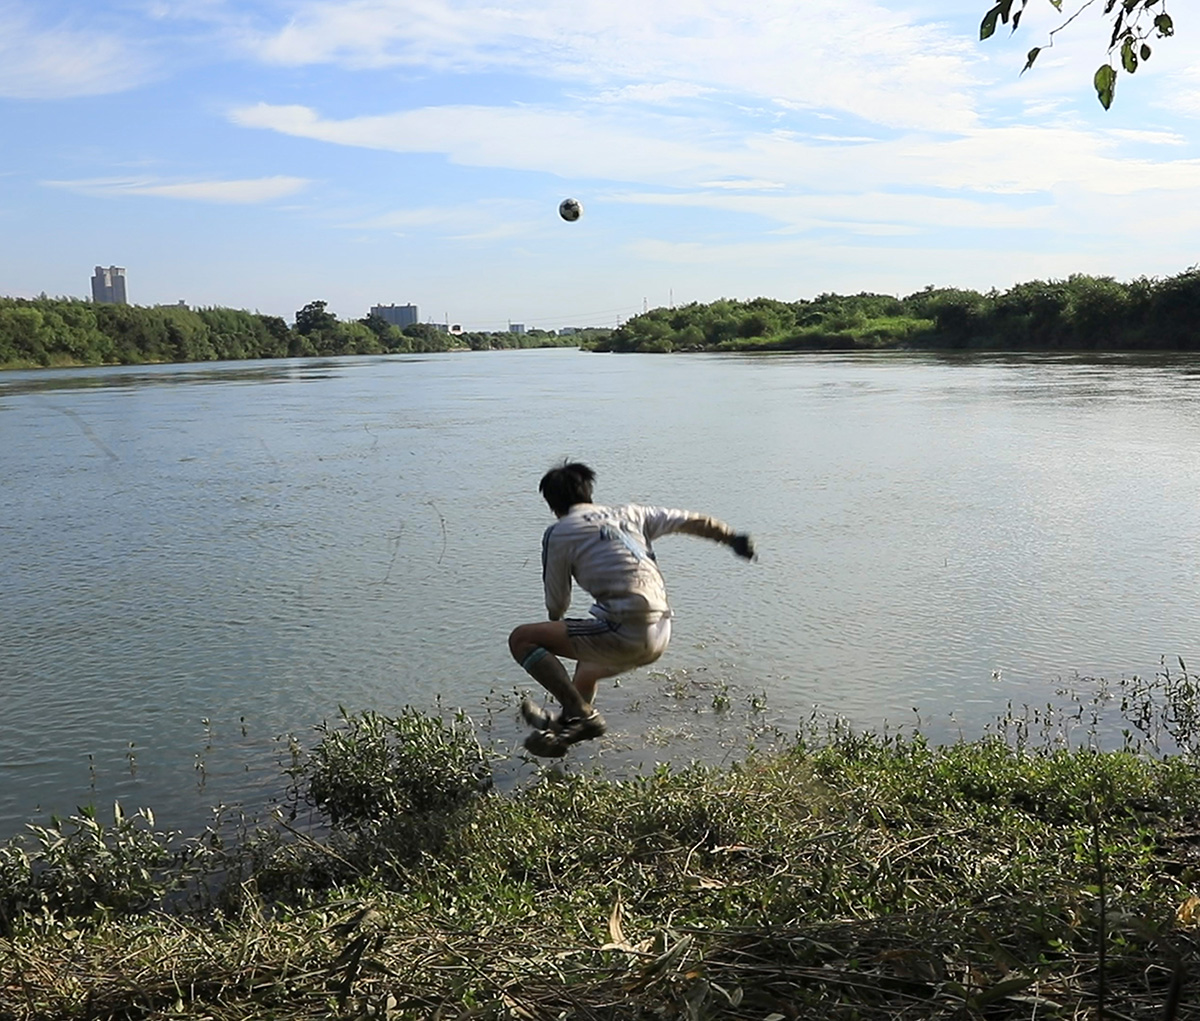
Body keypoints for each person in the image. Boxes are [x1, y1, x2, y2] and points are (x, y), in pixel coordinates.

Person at [509, 461, 756, 757]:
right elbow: (692, 521)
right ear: (589, 492)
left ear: (552, 504)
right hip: (660, 634)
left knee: (522, 638)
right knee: (586, 670)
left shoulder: (560, 531)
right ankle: (563, 731)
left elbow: (557, 602)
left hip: (625, 631)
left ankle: (583, 716)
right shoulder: (632, 513)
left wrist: (552, 636)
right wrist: (732, 539)